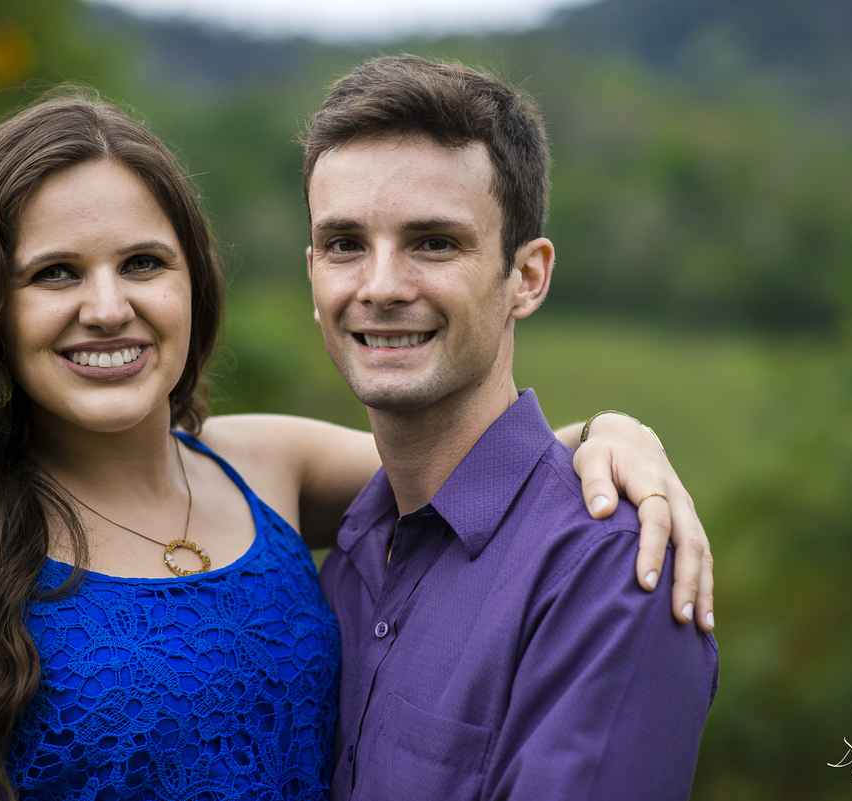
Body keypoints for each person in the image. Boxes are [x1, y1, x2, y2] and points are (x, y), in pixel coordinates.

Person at [0, 89, 710, 800]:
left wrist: (612, 433)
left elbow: (478, 476)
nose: (107, 306)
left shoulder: (267, 463)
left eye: (143, 263)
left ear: (195, 281)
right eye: (54, 273)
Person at [304, 55, 720, 800]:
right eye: (345, 244)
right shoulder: (349, 554)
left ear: (526, 276)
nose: (380, 286)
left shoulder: (609, 573)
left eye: (433, 242)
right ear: (313, 273)